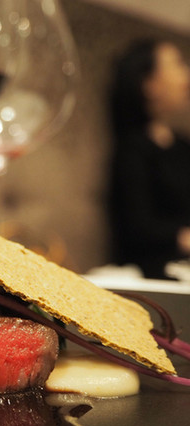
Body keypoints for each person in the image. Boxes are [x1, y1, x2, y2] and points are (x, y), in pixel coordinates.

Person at [108, 39, 190, 279]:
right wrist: (182, 237)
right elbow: (137, 227)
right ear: (149, 85)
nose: (187, 73)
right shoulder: (133, 149)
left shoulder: (183, 146)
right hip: (157, 269)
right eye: (177, 64)